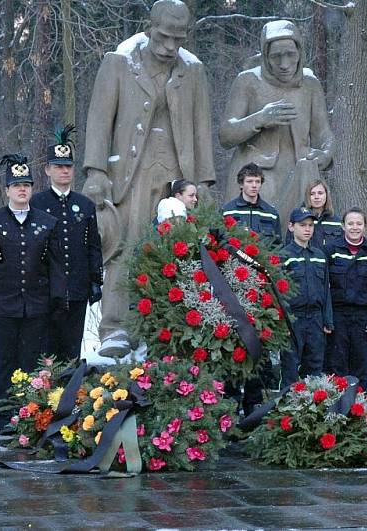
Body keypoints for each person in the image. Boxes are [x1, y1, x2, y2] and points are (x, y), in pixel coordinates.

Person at [81, 0, 215, 358]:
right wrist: (95, 171)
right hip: (131, 172)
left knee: (178, 249)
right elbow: (98, 119)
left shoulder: (193, 70)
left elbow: (202, 127)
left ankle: (169, 323)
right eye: (165, 36)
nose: (171, 45)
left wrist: (205, 180)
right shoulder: (121, 60)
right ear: (150, 27)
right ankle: (116, 327)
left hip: (178, 172)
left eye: (179, 38)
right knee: (126, 245)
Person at [0, 154, 67, 433]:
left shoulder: (47, 223)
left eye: (26, 184)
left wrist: (58, 299)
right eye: (16, 185)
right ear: (7, 190)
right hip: (0, 309)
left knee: (31, 363)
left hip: (36, 307)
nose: (22, 189)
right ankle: (3, 419)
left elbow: (56, 267)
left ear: (32, 188)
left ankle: (29, 415)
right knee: (4, 362)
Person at [220, 20, 335, 224]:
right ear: (265, 56)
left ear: (300, 52)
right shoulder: (248, 81)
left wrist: (324, 155)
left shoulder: (309, 85)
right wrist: (260, 119)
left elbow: (323, 134)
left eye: (290, 54)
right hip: (257, 172)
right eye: (276, 56)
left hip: (299, 172)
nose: (284, 64)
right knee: (257, 237)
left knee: (302, 233)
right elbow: (226, 135)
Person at [30, 125, 103, 362]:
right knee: (46, 350)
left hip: (77, 288)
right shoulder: (37, 203)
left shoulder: (85, 205)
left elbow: (93, 245)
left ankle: (70, 394)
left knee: (72, 347)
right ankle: (45, 396)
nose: (64, 171)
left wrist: (95, 280)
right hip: (46, 290)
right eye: (58, 167)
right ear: (47, 170)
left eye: (68, 167)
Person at [323, 207, 367, 391]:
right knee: (336, 363)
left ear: (365, 226)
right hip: (338, 316)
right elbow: (324, 287)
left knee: (360, 364)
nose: (354, 227)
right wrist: (327, 318)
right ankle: (337, 408)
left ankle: (359, 408)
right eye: (350, 223)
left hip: (362, 317)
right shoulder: (331, 249)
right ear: (343, 226)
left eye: (359, 223)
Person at [280, 207, 334, 387]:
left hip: (316, 319)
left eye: (310, 225)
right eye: (302, 225)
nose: (307, 229)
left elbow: (326, 289)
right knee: (290, 368)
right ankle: (287, 410)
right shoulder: (284, 256)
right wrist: (283, 323)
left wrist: (328, 320)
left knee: (315, 367)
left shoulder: (319, 256)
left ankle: (311, 410)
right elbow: (278, 294)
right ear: (291, 226)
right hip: (293, 319)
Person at [221, 163, 282, 243]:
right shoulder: (227, 212)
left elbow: (278, 245)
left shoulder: (271, 214)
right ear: (241, 184)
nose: (254, 185)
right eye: (249, 181)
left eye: (257, 182)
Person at [284, 179, 342, 250]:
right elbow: (288, 247)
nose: (316, 197)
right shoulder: (298, 218)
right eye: (312, 194)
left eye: (320, 193)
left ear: (326, 195)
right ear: (307, 196)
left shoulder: (336, 222)